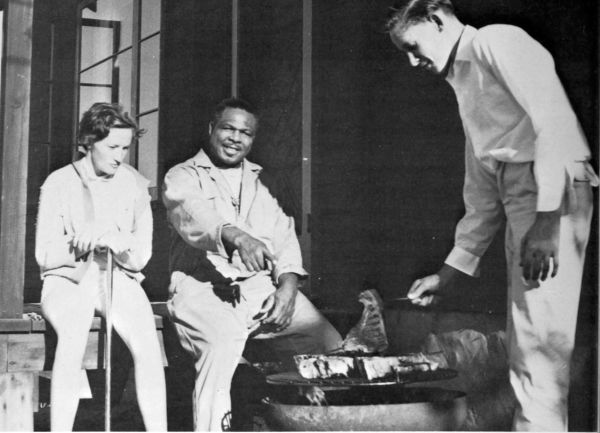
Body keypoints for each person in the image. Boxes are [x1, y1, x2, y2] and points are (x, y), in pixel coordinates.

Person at [386, 1, 598, 431]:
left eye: (412, 46)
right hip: (525, 198)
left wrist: (547, 220)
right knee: (527, 349)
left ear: (437, 18)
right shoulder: (463, 78)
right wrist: (447, 274)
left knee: (538, 352)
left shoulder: (495, 41)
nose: (411, 61)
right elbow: (482, 189)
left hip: (549, 195)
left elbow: (555, 121)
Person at [162, 97, 342, 431]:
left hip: (260, 288)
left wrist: (288, 289)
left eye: (245, 133)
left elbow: (285, 240)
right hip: (202, 288)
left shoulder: (264, 180)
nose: (235, 138)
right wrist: (238, 237)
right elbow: (193, 214)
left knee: (327, 343)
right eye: (228, 128)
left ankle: (311, 423)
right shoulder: (183, 175)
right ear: (212, 129)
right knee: (223, 342)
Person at [35, 102, 167, 431]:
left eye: (125, 147)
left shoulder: (135, 185)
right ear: (88, 142)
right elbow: (44, 254)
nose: (120, 156)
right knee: (74, 333)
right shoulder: (58, 182)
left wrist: (118, 240)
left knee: (148, 345)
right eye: (112, 147)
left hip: (116, 277)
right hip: (67, 279)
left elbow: (141, 257)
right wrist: (82, 240)